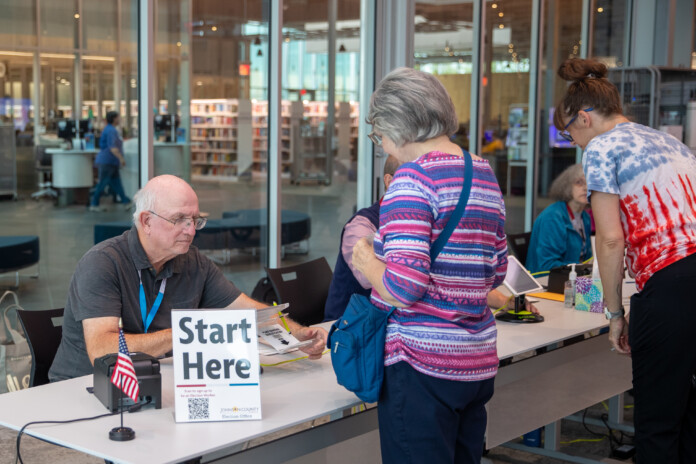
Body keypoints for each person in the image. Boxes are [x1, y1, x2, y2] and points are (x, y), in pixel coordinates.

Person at [352, 67, 508, 463]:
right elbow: (498, 271)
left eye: (379, 133)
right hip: (475, 360)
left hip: (422, 363)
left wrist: (368, 260)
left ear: (397, 124)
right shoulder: (483, 173)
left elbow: (404, 288)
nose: (382, 143)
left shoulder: (410, 181)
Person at [554, 58, 696, 463]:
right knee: (689, 417)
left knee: (657, 426)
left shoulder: (602, 147)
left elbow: (611, 239)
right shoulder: (669, 141)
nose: (575, 143)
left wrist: (615, 312)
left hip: (669, 285)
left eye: (570, 134)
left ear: (584, 117)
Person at [50, 175, 328, 382]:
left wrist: (298, 333)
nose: (191, 230)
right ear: (146, 221)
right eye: (179, 220)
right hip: (85, 388)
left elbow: (248, 310)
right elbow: (102, 350)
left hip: (156, 378)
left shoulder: (192, 261)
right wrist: (185, 334)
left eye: (195, 220)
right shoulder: (102, 263)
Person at [323, 155, 401, 321]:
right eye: (413, 180)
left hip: (385, 324)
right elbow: (369, 279)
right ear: (389, 181)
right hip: (350, 331)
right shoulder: (361, 225)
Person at [526, 164, 592, 273]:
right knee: (601, 289)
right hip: (548, 280)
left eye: (590, 183)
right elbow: (546, 264)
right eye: (579, 183)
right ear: (567, 187)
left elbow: (586, 258)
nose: (586, 188)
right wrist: (582, 269)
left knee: (608, 286)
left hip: (574, 277)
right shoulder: (552, 217)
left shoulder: (585, 217)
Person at [89, 111, 131, 212]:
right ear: (114, 118)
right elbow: (113, 148)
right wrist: (121, 158)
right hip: (107, 161)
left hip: (111, 162)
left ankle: (126, 202)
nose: (120, 119)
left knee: (117, 182)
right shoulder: (111, 131)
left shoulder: (109, 129)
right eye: (118, 117)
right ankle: (94, 204)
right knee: (102, 183)